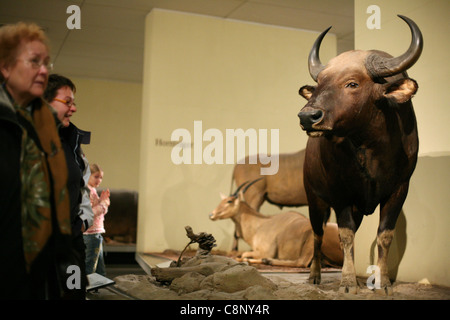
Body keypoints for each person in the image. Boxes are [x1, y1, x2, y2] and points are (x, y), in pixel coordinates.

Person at [0, 22, 73, 299]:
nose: (44, 70)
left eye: (46, 63)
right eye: (33, 61)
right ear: (5, 67)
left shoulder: (44, 124)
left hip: (39, 271)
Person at [44, 74, 94, 299]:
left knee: (74, 293)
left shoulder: (71, 142)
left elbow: (81, 183)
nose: (73, 109)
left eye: (74, 103)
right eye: (67, 102)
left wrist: (83, 220)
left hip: (71, 246)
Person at [84, 164, 110, 276]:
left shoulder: (92, 189)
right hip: (90, 233)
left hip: (96, 232)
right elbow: (90, 212)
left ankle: (100, 286)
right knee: (90, 264)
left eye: (101, 177)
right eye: (96, 176)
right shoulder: (86, 190)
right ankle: (85, 289)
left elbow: (99, 213)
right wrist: (103, 204)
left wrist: (103, 202)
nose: (99, 180)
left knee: (99, 265)